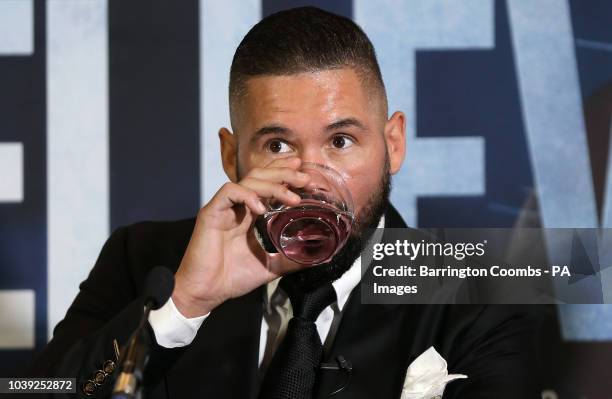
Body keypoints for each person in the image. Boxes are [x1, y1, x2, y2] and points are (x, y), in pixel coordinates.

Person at [31, 6, 548, 398]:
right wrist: (183, 306)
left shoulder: (489, 285)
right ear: (232, 156)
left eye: (341, 141)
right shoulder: (146, 260)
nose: (310, 179)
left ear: (393, 144)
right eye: (278, 146)